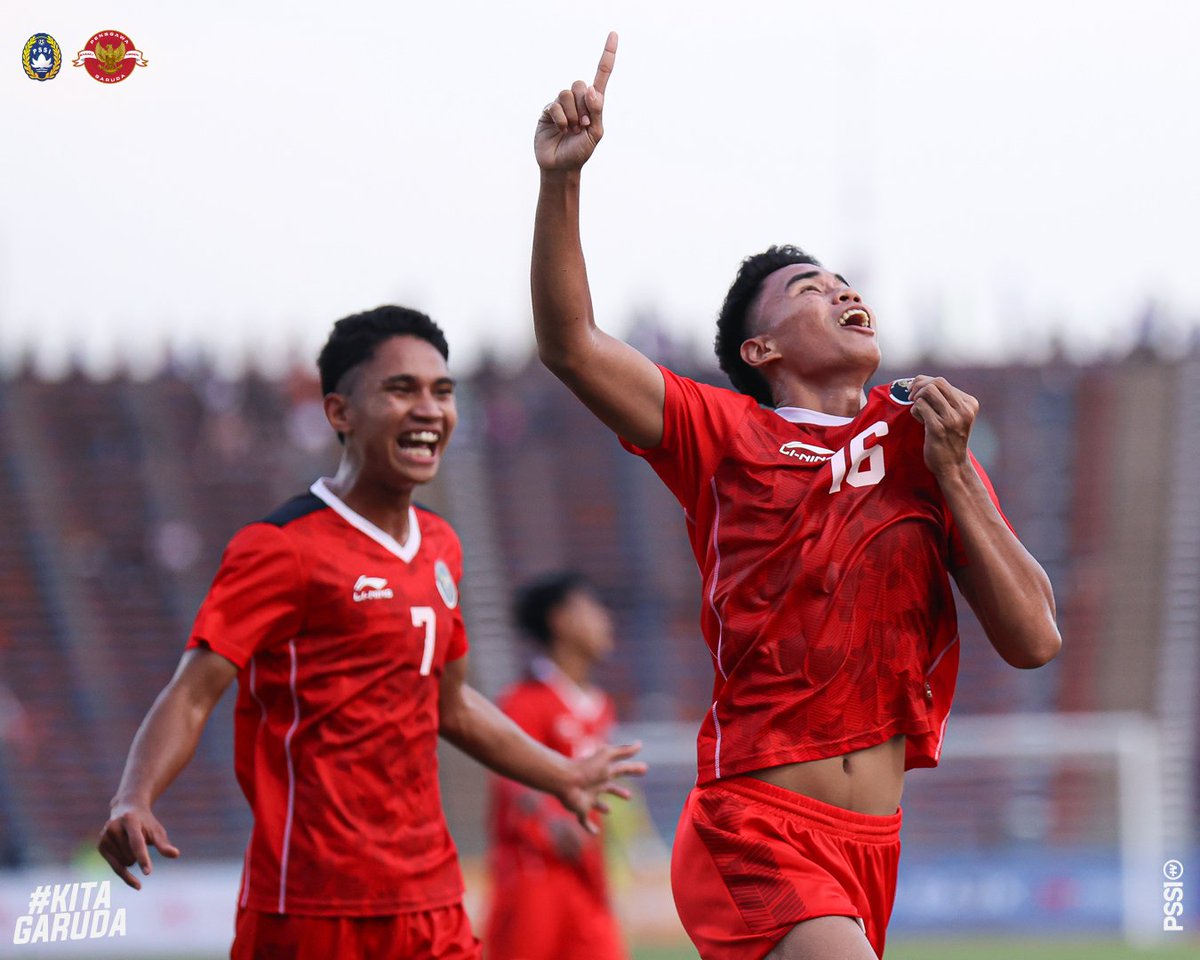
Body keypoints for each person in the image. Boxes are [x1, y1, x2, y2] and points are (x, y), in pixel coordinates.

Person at [530, 34, 1061, 960]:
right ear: (760, 352)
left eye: (847, 283)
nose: (845, 292)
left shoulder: (929, 443)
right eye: (812, 288)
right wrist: (562, 183)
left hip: (872, 849)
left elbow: (1036, 640)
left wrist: (954, 476)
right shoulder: (722, 433)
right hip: (758, 822)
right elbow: (572, 343)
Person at [97, 306, 645, 960]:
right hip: (314, 904)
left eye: (442, 392)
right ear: (339, 412)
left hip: (431, 898)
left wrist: (559, 773)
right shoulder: (282, 549)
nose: (429, 409)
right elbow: (192, 692)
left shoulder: (441, 547)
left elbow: (452, 703)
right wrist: (135, 795)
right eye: (401, 389)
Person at [485, 572, 627, 960]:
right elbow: (511, 782)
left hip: (587, 877)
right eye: (591, 608)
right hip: (536, 879)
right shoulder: (523, 702)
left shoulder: (599, 705)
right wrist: (551, 822)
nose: (604, 619)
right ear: (560, 621)